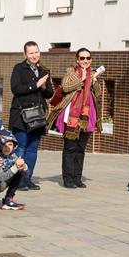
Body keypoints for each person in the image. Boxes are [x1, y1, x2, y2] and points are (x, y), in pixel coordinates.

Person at [50, 48, 106, 188]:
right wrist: (81, 79)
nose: (85, 61)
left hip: (87, 115)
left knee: (80, 149)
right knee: (70, 148)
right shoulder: (71, 72)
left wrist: (94, 81)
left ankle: (77, 178)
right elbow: (65, 87)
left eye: (88, 58)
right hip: (72, 116)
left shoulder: (93, 74)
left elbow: (98, 94)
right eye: (82, 58)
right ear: (77, 60)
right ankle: (68, 179)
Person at [9, 40, 54, 190]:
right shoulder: (19, 68)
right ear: (25, 54)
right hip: (21, 115)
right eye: (31, 53)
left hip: (37, 116)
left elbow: (50, 94)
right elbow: (16, 89)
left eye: (36, 52)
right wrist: (35, 85)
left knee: (33, 149)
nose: (34, 55)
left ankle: (27, 178)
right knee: (21, 148)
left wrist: (44, 86)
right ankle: (17, 180)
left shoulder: (43, 70)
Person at [0, 129, 29, 209]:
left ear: (14, 146)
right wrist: (16, 166)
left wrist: (24, 167)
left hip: (0, 184)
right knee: (3, 182)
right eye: (4, 145)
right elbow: (2, 177)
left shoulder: (13, 156)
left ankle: (8, 199)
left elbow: (25, 175)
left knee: (19, 172)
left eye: (10, 144)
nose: (7, 148)